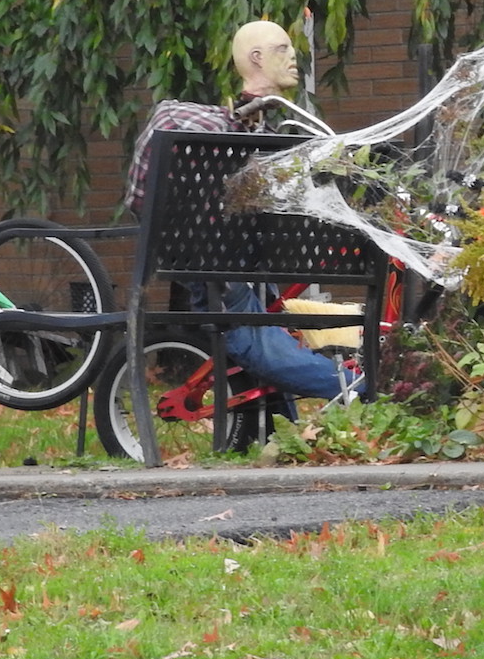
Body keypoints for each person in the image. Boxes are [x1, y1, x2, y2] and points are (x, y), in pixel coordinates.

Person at [125, 21, 360, 406]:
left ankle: (283, 425)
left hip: (238, 262)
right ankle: (363, 389)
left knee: (261, 333)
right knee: (256, 339)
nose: (294, 57)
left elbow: (139, 196)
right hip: (221, 265)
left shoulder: (266, 130)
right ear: (256, 58)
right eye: (282, 49)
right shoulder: (239, 130)